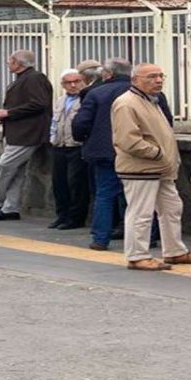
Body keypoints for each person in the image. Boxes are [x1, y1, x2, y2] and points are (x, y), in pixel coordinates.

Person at [110, 64, 190, 270]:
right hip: (141, 168)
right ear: (135, 80)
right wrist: (156, 153)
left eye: (161, 76)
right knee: (141, 213)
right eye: (152, 76)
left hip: (160, 167)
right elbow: (127, 140)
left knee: (172, 208)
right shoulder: (127, 103)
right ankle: (137, 256)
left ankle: (174, 251)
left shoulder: (151, 100)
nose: (159, 80)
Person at [0, 50, 52, 222]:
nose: (7, 63)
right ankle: (10, 208)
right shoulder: (27, 78)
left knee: (5, 167)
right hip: (19, 132)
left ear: (18, 63)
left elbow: (39, 103)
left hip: (27, 133)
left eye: (10, 61)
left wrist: (9, 113)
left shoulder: (34, 78)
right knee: (16, 171)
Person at [72, 58, 132, 251]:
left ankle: (100, 238)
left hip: (104, 151)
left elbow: (81, 123)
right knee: (136, 195)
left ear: (108, 74)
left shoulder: (96, 93)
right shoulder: (140, 91)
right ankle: (144, 237)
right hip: (134, 152)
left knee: (105, 194)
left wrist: (84, 139)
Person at [49, 68, 89, 230]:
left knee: (76, 184)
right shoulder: (60, 100)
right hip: (59, 146)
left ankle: (75, 218)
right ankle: (61, 215)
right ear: (63, 85)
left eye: (76, 81)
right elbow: (54, 122)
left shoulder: (86, 99)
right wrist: (52, 139)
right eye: (68, 82)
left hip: (76, 146)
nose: (73, 85)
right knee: (59, 183)